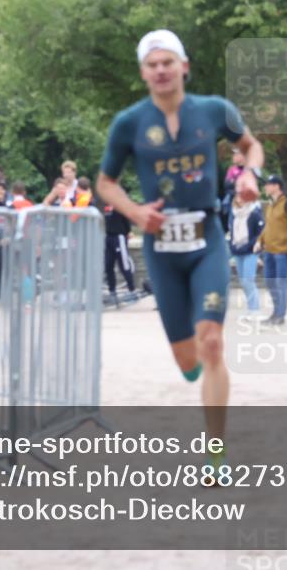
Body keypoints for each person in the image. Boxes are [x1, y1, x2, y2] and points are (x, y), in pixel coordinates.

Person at [96, 29, 264, 483]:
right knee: (188, 360)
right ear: (143, 73)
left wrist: (250, 174)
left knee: (212, 343)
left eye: (168, 61)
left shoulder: (213, 111)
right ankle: (192, 369)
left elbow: (250, 145)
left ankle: (215, 457)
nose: (161, 70)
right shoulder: (129, 123)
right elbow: (105, 182)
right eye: (152, 64)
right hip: (162, 249)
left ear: (184, 66)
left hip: (206, 237)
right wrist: (133, 212)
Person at [254, 175, 287, 325]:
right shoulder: (270, 205)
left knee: (281, 283)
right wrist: (259, 241)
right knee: (270, 282)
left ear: (277, 186)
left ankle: (280, 315)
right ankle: (275, 312)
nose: (265, 187)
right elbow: (268, 227)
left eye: (268, 184)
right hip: (269, 250)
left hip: (283, 251)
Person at [228, 193, 264, 313]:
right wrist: (232, 247)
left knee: (248, 280)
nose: (240, 199)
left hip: (250, 251)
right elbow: (231, 232)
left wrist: (250, 245)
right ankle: (251, 307)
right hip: (237, 251)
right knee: (243, 281)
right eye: (238, 196)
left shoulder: (254, 213)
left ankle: (254, 309)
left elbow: (261, 233)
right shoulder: (233, 213)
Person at [104, 201, 137, 298]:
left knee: (124, 265)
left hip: (119, 237)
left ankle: (132, 289)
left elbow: (126, 219)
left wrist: (129, 231)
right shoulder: (107, 205)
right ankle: (112, 290)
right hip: (109, 237)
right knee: (108, 265)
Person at [220, 147, 245, 232]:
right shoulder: (232, 169)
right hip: (233, 202)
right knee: (232, 225)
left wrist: (235, 181)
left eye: (236, 154)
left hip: (245, 203)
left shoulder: (249, 169)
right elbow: (227, 185)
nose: (233, 156)